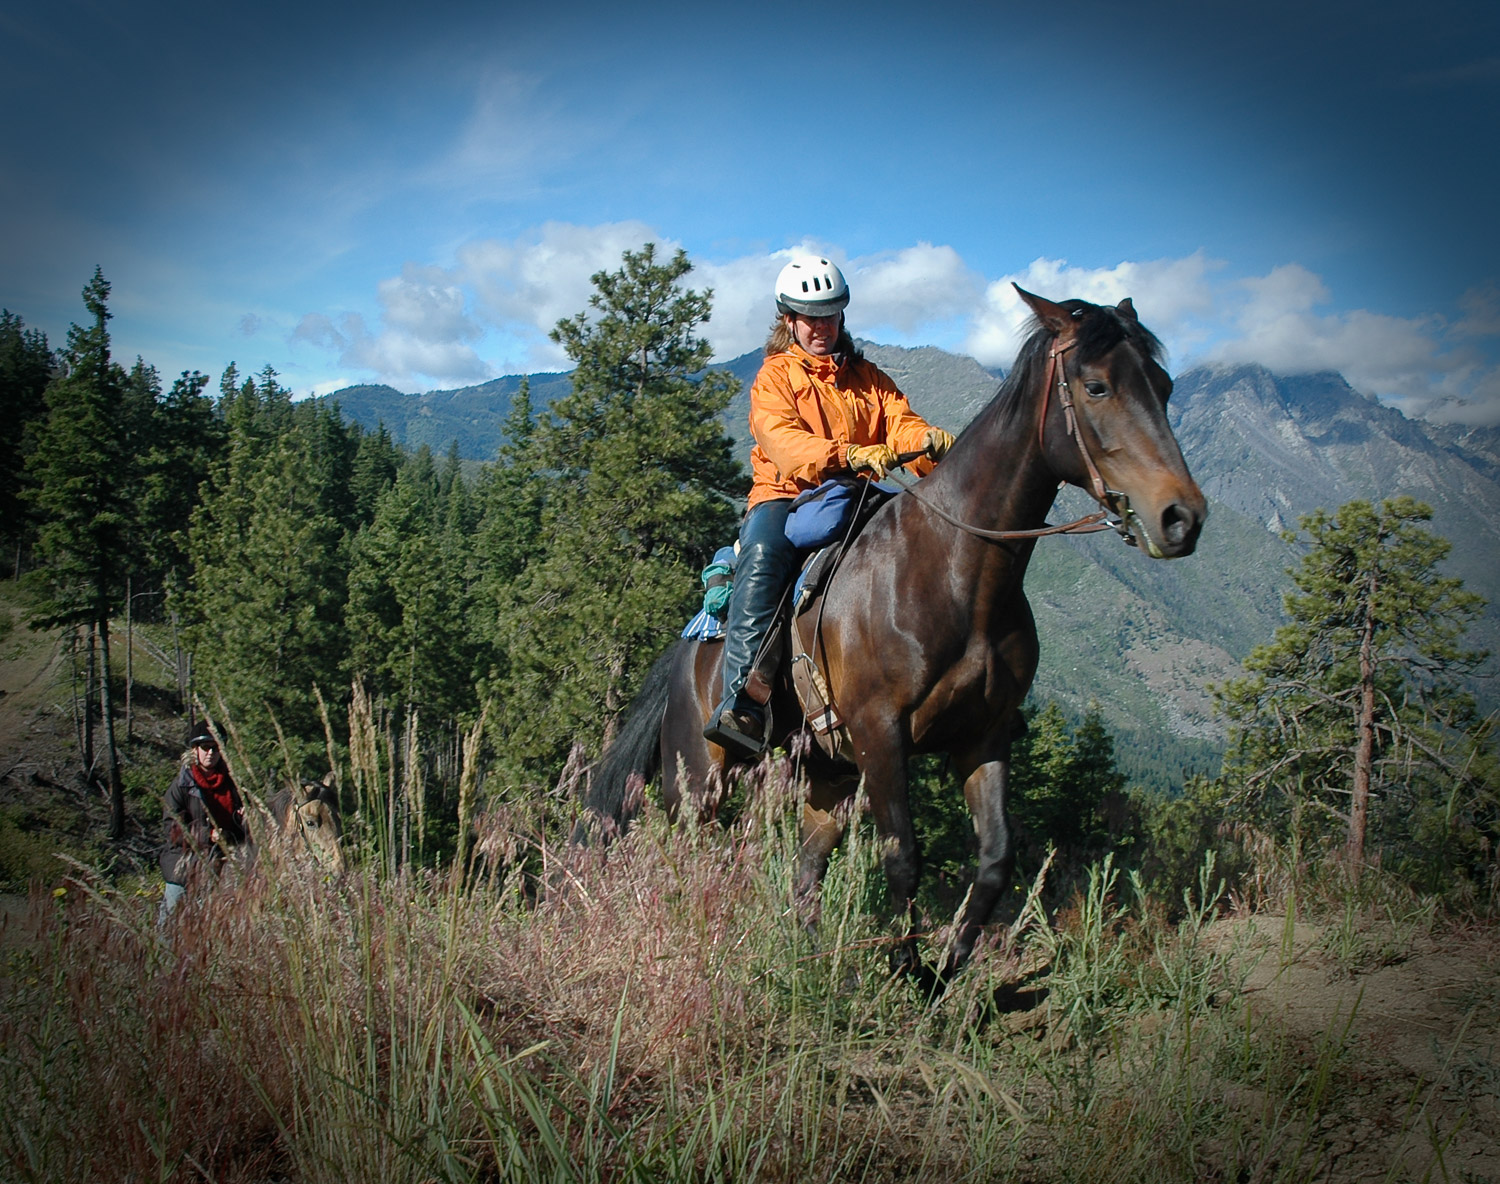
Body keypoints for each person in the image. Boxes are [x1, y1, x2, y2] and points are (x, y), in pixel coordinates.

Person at [702, 254, 955, 760]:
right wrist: (847, 453)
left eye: (829, 316)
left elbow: (898, 422)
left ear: (841, 317)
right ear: (789, 320)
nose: (821, 327)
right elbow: (783, 442)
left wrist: (928, 445)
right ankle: (743, 705)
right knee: (767, 556)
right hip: (785, 494)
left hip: (853, 491)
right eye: (809, 317)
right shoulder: (775, 378)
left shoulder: (868, 376)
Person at [157, 721, 249, 926]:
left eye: (216, 748)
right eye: (205, 747)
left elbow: (241, 827)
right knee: (170, 925)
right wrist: (207, 836)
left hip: (220, 866)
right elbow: (172, 829)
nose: (211, 753)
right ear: (194, 750)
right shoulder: (182, 785)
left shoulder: (232, 783)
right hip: (183, 865)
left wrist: (242, 818)